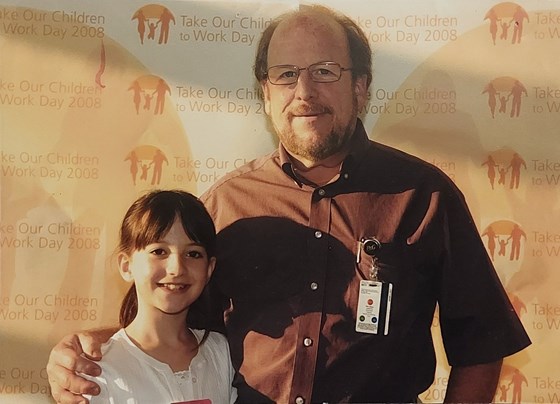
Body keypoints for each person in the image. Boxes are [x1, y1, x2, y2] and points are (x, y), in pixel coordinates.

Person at [47, 5, 530, 403]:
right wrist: (96, 349)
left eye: (325, 72)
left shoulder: (424, 195)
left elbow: (481, 343)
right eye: (286, 74)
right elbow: (175, 323)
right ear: (265, 91)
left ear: (360, 87)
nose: (304, 92)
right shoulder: (226, 204)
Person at [80, 190, 237, 403]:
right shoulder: (99, 368)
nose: (176, 268)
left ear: (209, 269)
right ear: (127, 266)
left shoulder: (220, 352)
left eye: (193, 254)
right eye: (159, 251)